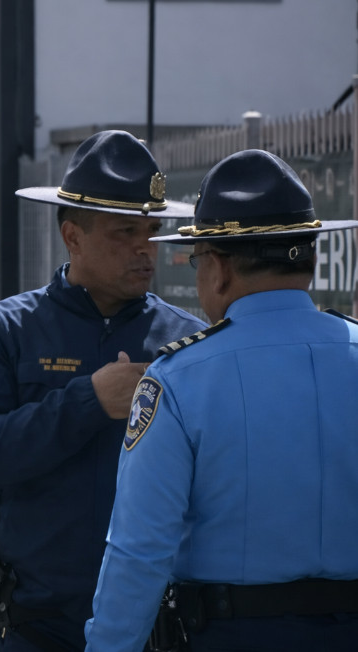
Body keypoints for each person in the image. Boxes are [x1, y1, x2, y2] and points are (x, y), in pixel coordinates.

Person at [84, 149, 358, 651]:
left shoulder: (178, 380)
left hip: (234, 633)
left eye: (196, 260)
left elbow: (140, 552)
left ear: (220, 269)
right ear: (312, 258)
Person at [0, 130, 207, 651]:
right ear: (73, 236)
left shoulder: (185, 340)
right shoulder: (7, 329)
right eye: (123, 233)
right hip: (36, 622)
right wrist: (88, 400)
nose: (144, 248)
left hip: (153, 625)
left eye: (153, 231)